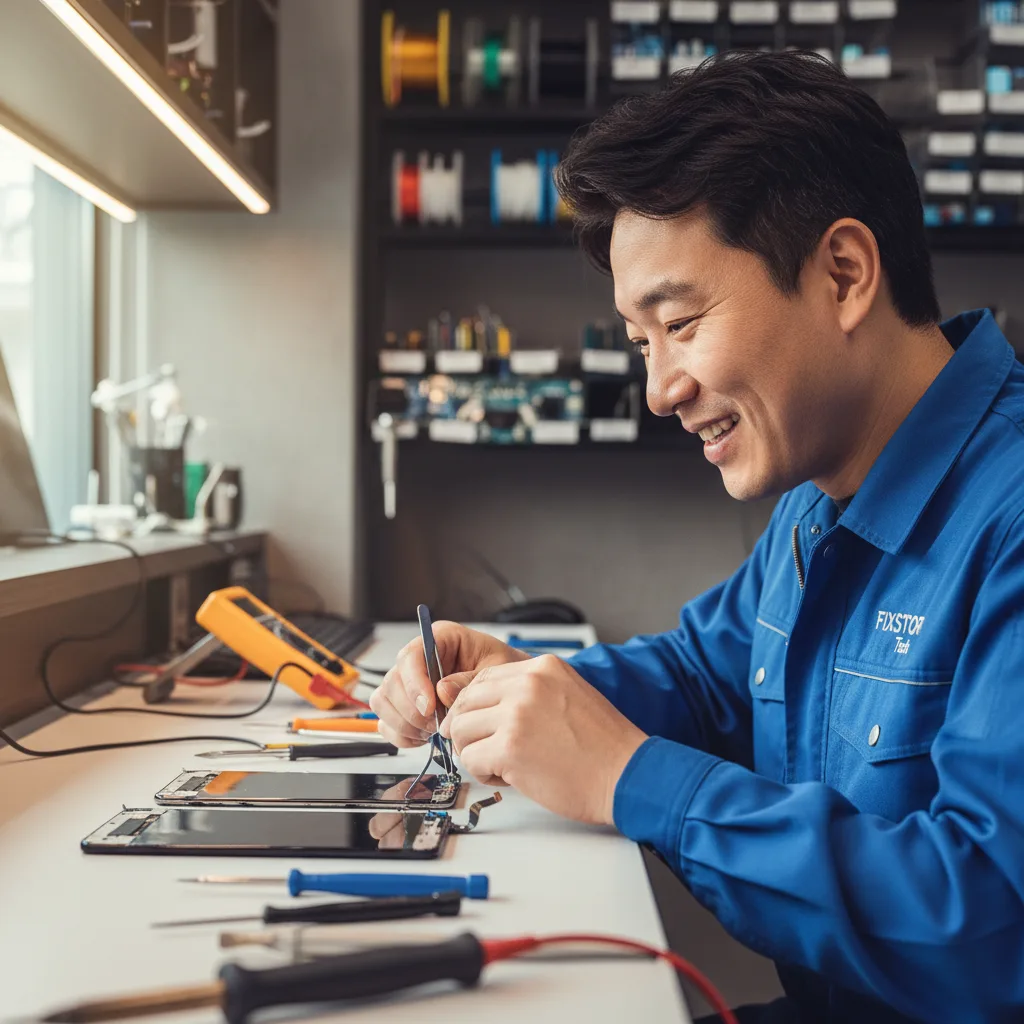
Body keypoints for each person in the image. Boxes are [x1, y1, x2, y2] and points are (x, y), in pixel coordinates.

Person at [369, 51, 1024, 1023]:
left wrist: (629, 779)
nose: (658, 389)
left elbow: (991, 924)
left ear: (842, 274)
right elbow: (706, 677)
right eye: (641, 343)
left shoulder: (1008, 517)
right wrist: (524, 689)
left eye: (679, 322)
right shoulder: (820, 492)